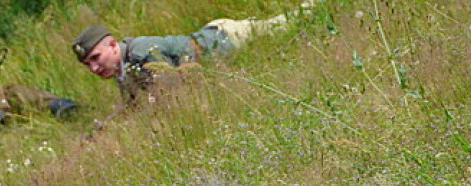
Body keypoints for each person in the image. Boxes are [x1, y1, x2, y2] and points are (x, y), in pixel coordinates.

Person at [71, 5, 309, 101]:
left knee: (291, 21)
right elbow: (134, 106)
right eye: (87, 65)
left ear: (113, 45)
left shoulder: (140, 53)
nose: (94, 68)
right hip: (214, 43)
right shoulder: (124, 69)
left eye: (95, 57)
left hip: (224, 39)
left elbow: (173, 90)